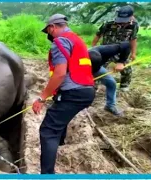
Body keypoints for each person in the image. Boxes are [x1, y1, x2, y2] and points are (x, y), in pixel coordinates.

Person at [33, 14, 95, 174]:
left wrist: (42, 98)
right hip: (86, 90)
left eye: (48, 31)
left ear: (52, 27)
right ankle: (59, 143)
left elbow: (59, 73)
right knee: (59, 116)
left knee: (48, 131)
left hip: (73, 93)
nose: (49, 35)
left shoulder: (59, 42)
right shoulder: (76, 39)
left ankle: (47, 174)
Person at [91, 5, 139, 92]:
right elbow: (98, 35)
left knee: (127, 70)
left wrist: (133, 53)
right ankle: (93, 87)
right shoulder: (108, 23)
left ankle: (124, 88)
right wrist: (94, 48)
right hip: (106, 50)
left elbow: (133, 39)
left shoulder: (134, 25)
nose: (122, 23)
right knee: (97, 68)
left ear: (131, 16)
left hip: (123, 52)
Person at [89, 41, 131, 116]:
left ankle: (110, 106)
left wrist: (121, 62)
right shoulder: (75, 57)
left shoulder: (106, 50)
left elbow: (126, 45)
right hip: (80, 69)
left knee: (111, 83)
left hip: (97, 68)